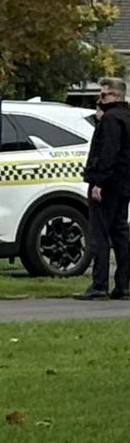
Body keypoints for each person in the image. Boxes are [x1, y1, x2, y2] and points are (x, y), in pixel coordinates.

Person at [78, 76, 130, 300]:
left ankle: (99, 284)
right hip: (124, 184)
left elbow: (108, 152)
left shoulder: (111, 119)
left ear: (115, 95)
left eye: (103, 94)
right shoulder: (126, 117)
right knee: (120, 232)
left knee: (99, 233)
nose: (99, 100)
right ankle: (123, 284)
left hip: (108, 184)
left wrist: (98, 181)